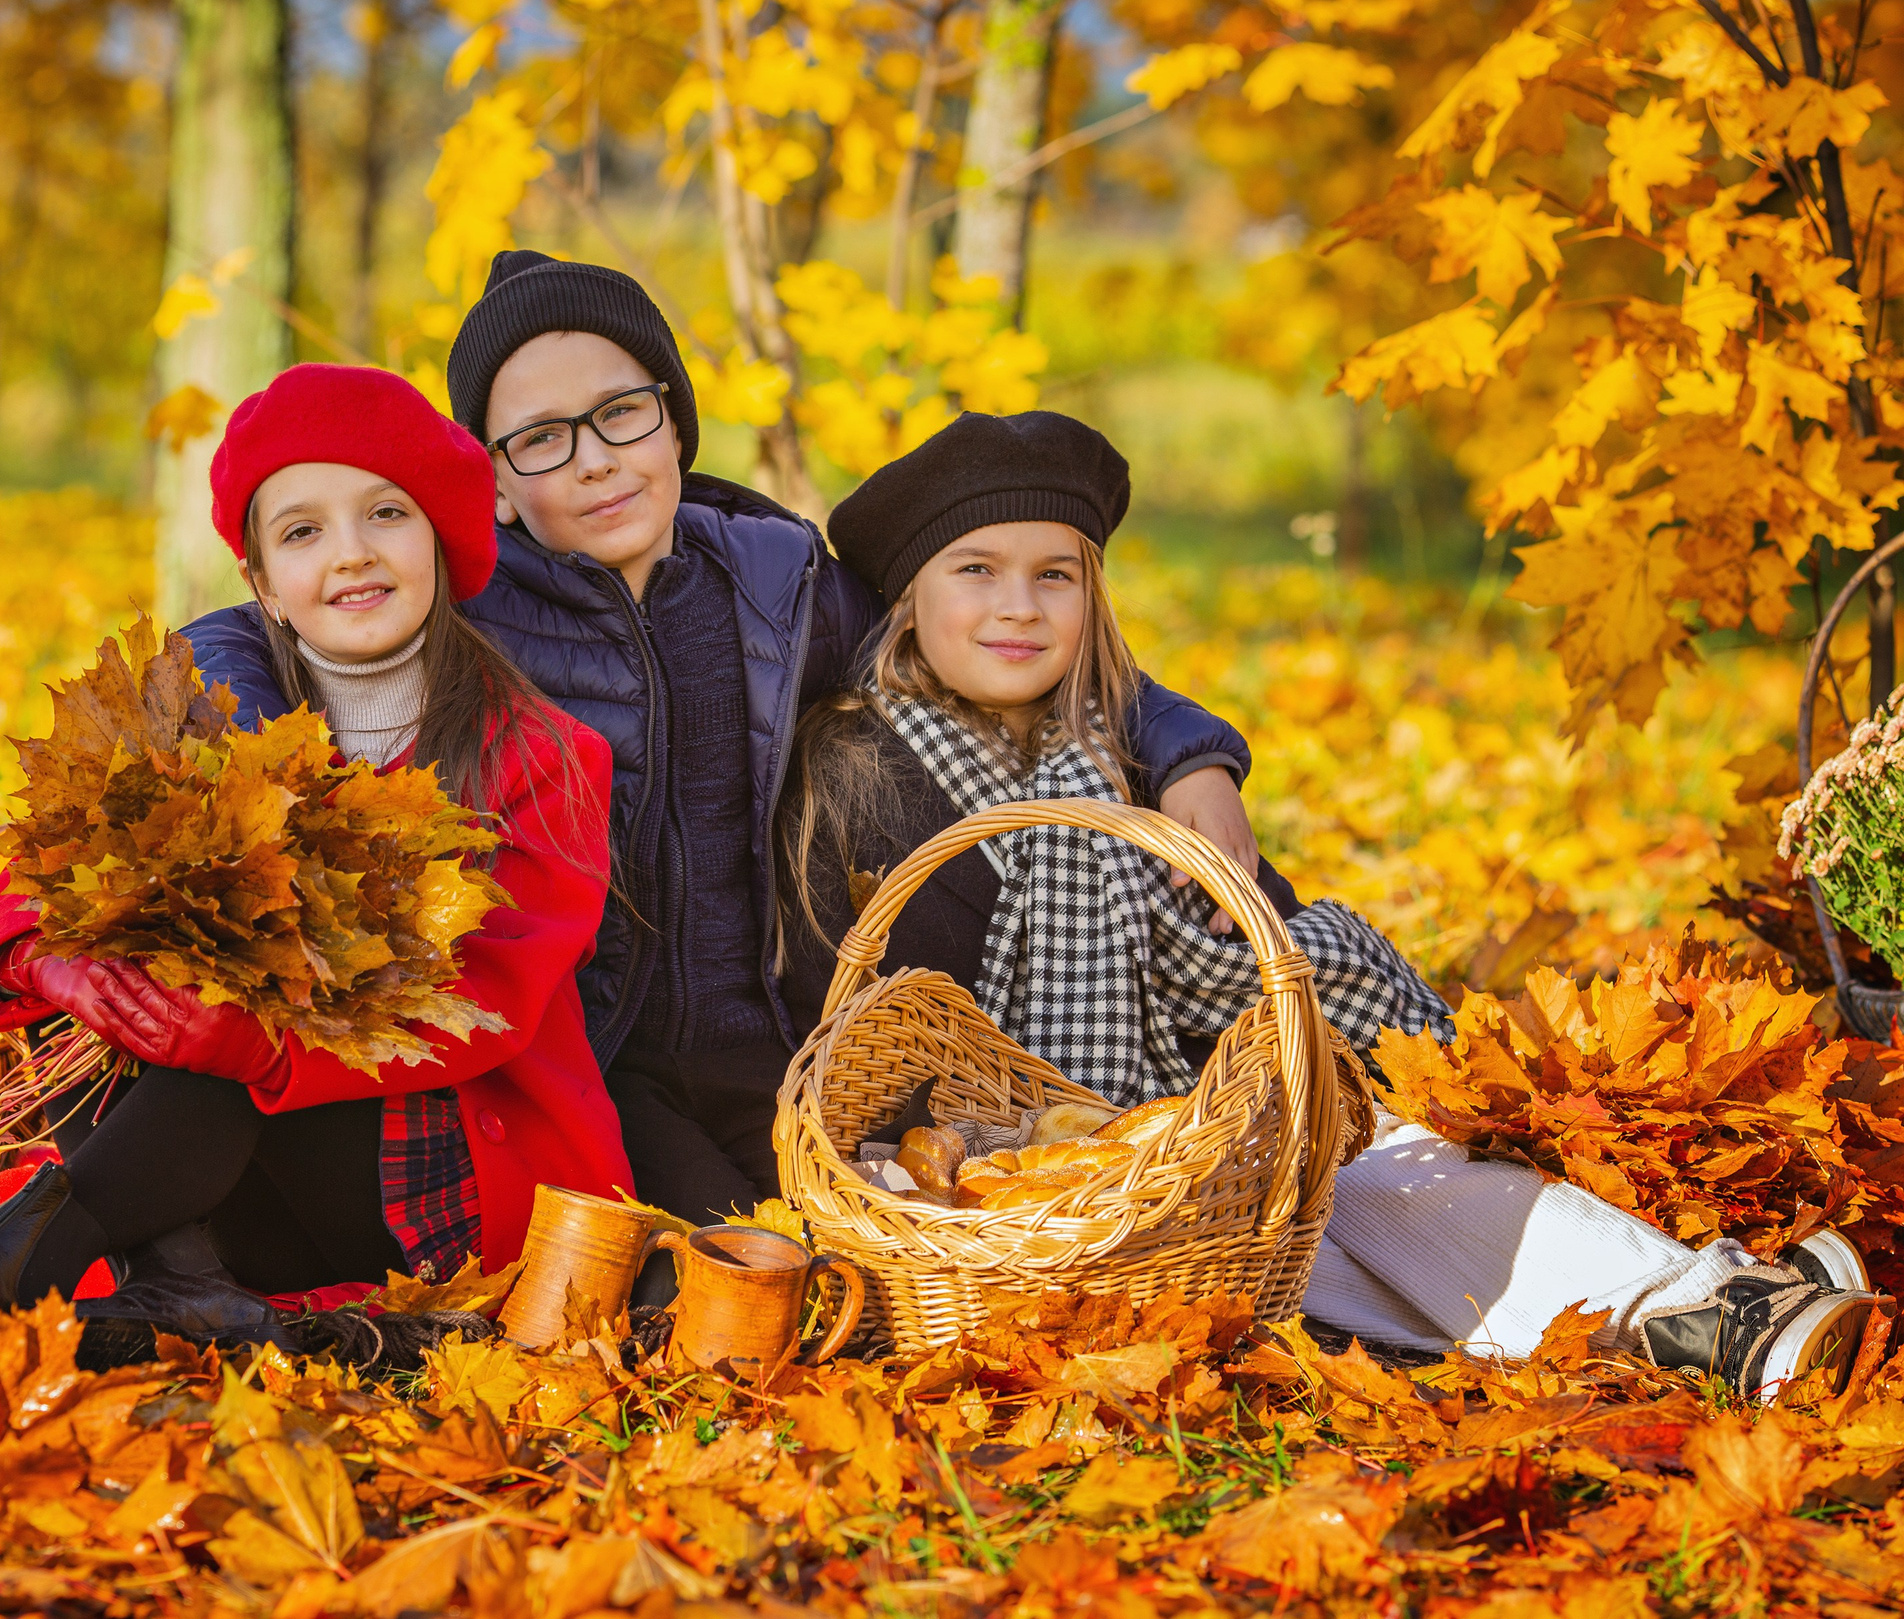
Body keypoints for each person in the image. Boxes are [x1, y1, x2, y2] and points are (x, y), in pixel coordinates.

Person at [776, 408, 1877, 1398]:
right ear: (907, 598)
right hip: (1019, 1181)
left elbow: (1253, 956)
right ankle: (1697, 1304)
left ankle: (1711, 1321)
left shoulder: (1120, 756)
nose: (1018, 607)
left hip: (1184, 1125)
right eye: (976, 570)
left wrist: (1195, 777)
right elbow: (883, 1032)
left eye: (1055, 575)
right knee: (1330, 1233)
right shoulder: (863, 784)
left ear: (1090, 593)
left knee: (1367, 1175)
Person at [184, 250, 1268, 1239]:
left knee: (867, 1245)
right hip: (608, 1061)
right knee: (746, 1254)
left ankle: (1275, 1058)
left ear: (673, 423)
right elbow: (249, 630)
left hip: (784, 1043)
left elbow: (976, 633)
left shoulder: (776, 581)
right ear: (498, 483)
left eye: (622, 415)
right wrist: (229, 710)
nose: (597, 462)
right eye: (542, 440)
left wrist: (1189, 752)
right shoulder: (468, 601)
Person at [0, 365, 629, 1358]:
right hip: (239, 1193)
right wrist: (62, 965)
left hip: (441, 1180)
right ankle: (178, 1291)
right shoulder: (217, 721)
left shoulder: (542, 755)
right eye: (302, 532)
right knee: (128, 958)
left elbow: (490, 1000)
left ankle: (16, 1266)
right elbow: (38, 876)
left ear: (442, 541)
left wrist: (259, 1044)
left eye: (386, 513)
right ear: (262, 586)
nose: (350, 554)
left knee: (237, 1005)